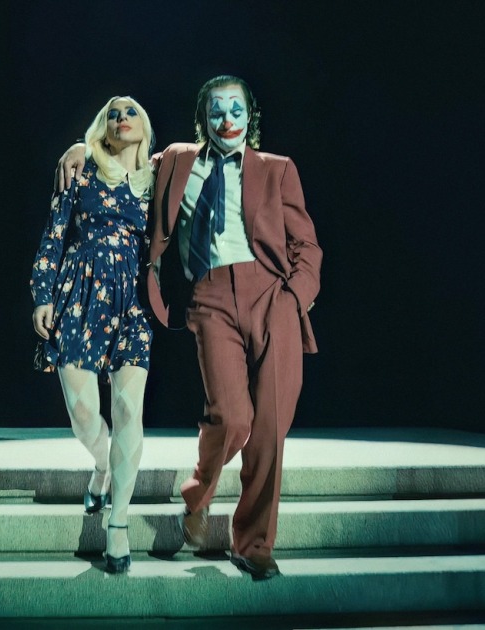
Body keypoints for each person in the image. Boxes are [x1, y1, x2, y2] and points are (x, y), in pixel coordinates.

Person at [57, 75, 321, 580]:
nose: (227, 120)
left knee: (269, 429)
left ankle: (253, 544)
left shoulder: (278, 168)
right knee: (232, 416)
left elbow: (306, 245)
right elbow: (125, 156)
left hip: (273, 296)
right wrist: (80, 148)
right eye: (217, 111)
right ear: (203, 118)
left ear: (250, 116)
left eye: (236, 110)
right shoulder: (177, 159)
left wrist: (294, 297)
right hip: (211, 295)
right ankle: (198, 493)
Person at [31, 95, 155, 574]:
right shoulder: (81, 170)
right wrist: (42, 294)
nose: (122, 118)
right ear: (102, 126)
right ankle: (102, 465)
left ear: (145, 127)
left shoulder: (156, 179)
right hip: (79, 294)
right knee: (84, 415)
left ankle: (118, 523)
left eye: (131, 112)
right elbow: (54, 233)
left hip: (133, 301)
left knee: (128, 410)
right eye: (113, 113)